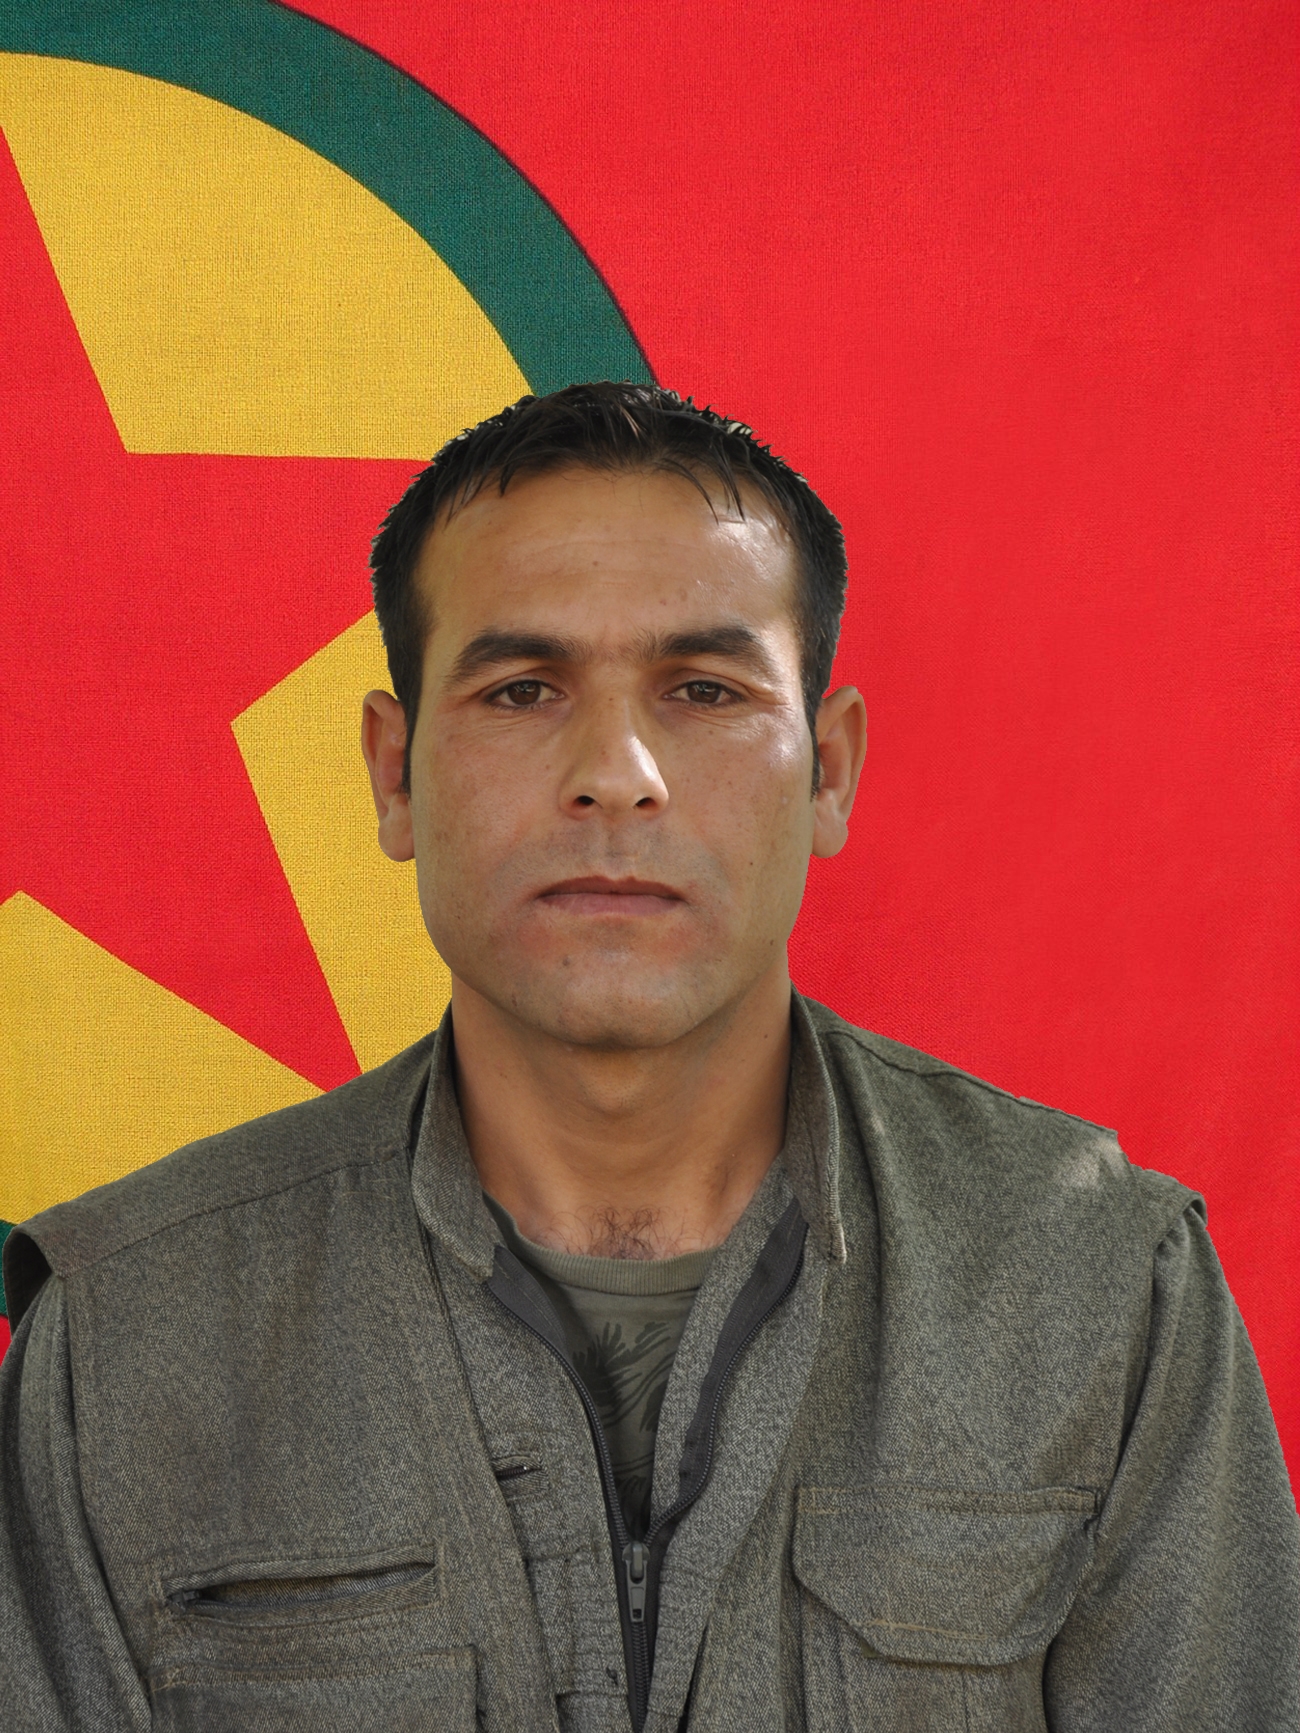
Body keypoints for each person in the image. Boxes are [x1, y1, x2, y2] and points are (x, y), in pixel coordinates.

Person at [2, 382, 1296, 1733]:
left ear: (829, 770)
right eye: (522, 689)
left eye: (702, 690)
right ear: (394, 772)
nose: (615, 773)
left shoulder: (1096, 1288)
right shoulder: (125, 1343)